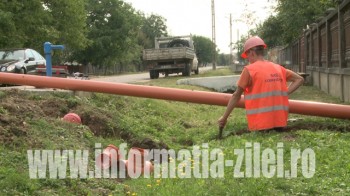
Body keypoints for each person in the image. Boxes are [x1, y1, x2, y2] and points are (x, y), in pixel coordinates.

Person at [218, 36, 304, 132]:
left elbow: (236, 96)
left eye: (247, 56)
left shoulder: (249, 70)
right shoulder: (278, 68)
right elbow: (299, 79)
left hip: (260, 126)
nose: (248, 59)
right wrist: (284, 93)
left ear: (252, 52)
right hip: (280, 124)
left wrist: (224, 118)